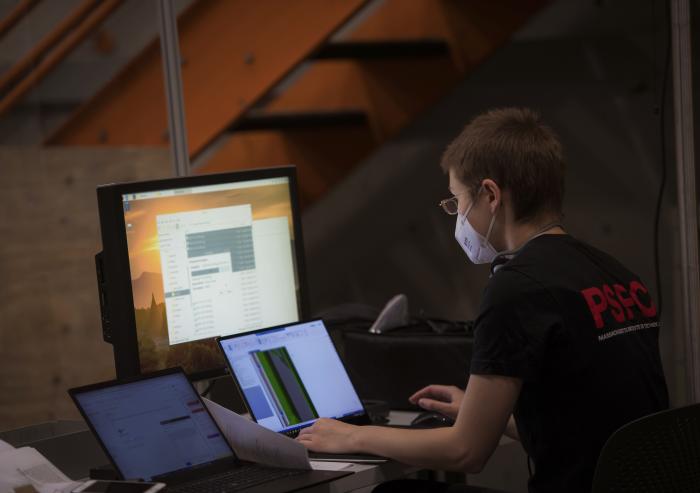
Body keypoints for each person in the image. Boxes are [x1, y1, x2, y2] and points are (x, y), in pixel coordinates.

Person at [297, 108, 669, 493]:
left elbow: (465, 453)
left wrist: (352, 437)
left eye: (457, 201)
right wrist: (481, 415)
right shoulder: (614, 273)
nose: (456, 215)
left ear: (490, 195)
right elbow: (583, 434)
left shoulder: (517, 287)